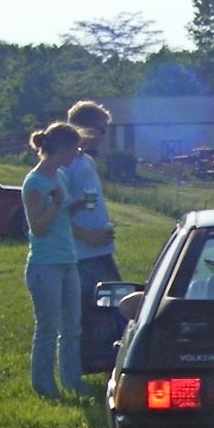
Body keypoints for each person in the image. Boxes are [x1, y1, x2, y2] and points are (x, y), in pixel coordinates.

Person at [22, 121, 98, 399]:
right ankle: (44, 384)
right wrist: (54, 204)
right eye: (74, 149)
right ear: (62, 149)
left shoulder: (61, 177)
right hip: (45, 265)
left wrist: (76, 204)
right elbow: (38, 227)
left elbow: (63, 213)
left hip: (68, 260)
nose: (76, 154)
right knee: (47, 327)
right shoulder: (34, 182)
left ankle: (72, 380)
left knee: (71, 327)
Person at [64, 99, 125, 373]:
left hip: (100, 250)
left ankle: (109, 362)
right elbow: (57, 214)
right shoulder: (65, 166)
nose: (103, 137)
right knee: (92, 312)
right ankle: (89, 364)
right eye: (101, 130)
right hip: (82, 254)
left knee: (116, 306)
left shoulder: (86, 161)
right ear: (84, 129)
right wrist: (88, 235)